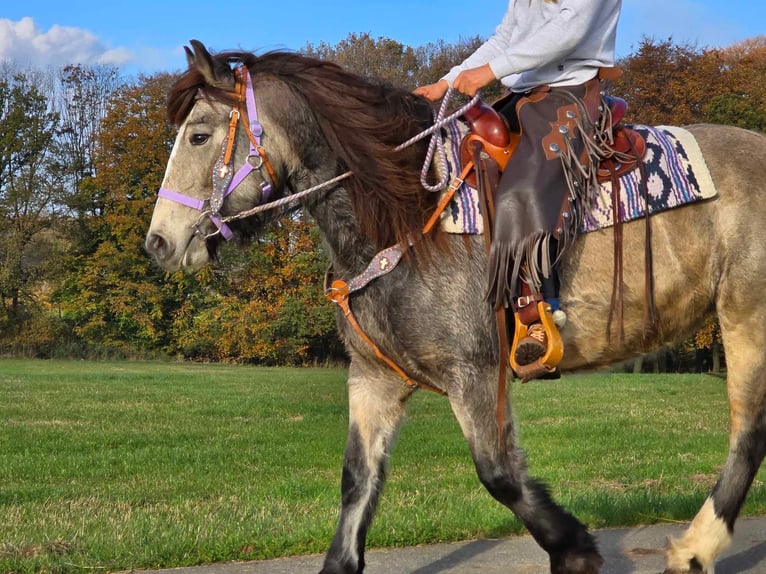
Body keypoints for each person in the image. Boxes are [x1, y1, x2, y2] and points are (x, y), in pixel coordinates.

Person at [415, 0, 623, 376]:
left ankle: (535, 317)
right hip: (520, 96)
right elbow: (506, 36)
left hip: (570, 91)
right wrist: (448, 80)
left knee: (521, 191)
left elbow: (569, 29)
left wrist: (488, 73)